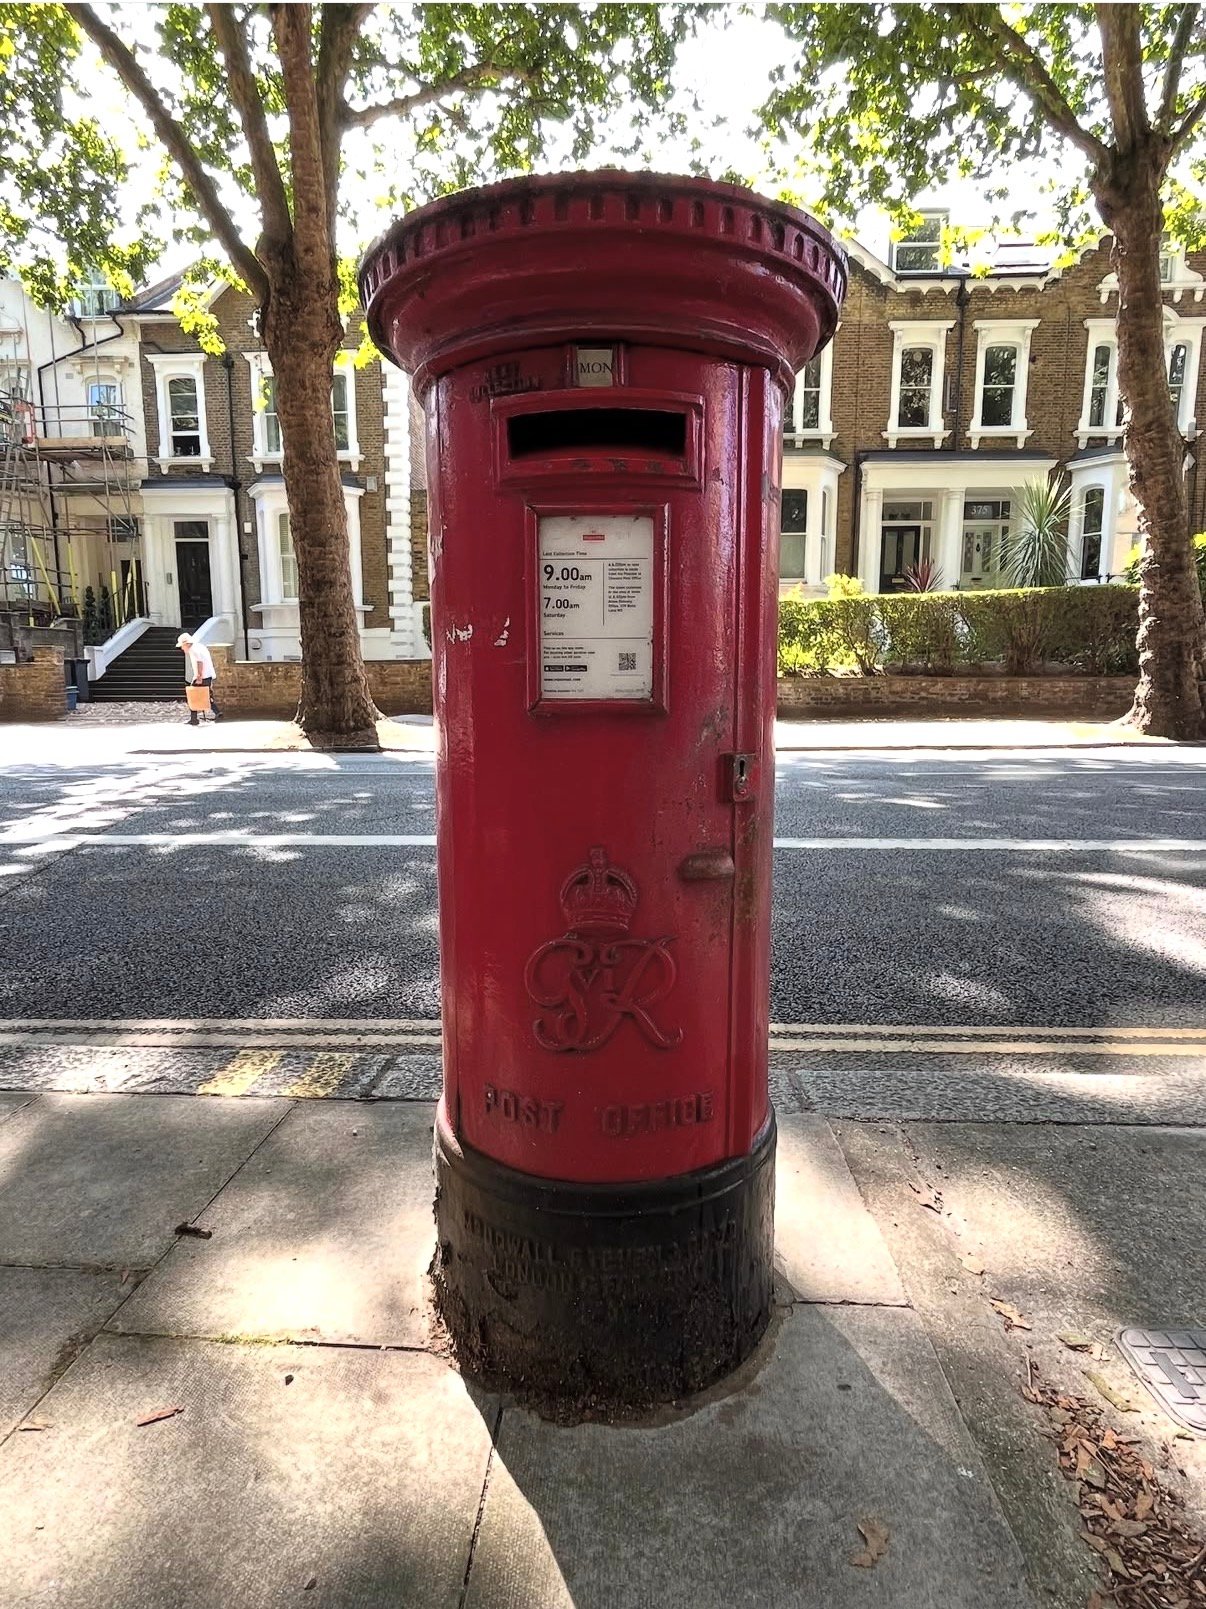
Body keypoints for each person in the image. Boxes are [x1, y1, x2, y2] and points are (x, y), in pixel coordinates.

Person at [176, 632, 221, 726]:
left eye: (182, 646)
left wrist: (198, 676)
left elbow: (199, 663)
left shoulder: (193, 650)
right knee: (206, 696)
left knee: (193, 696)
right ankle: (218, 713)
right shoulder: (200, 646)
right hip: (208, 675)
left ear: (186, 644)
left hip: (202, 676)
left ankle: (194, 719)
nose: (182, 648)